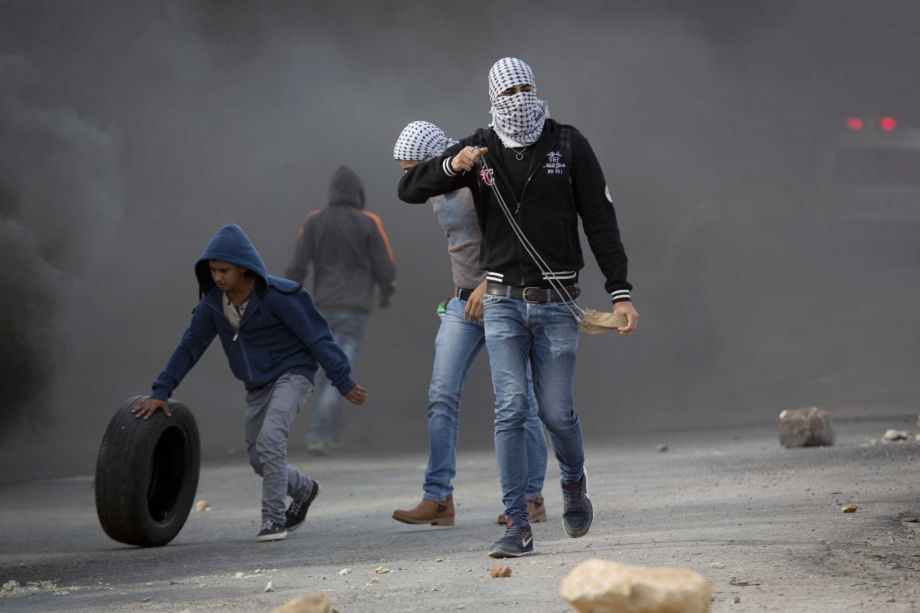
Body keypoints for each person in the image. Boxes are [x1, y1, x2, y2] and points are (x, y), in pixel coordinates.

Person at [399, 58, 639, 558]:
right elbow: (409, 188)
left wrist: (620, 290)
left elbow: (600, 219)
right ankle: (517, 524)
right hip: (504, 304)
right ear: (493, 96)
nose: (519, 98)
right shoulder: (481, 148)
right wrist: (452, 165)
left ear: (538, 88)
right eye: (508, 91)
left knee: (556, 413)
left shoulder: (569, 144)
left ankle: (572, 483)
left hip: (558, 303)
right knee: (510, 409)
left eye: (526, 87)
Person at [133, 224, 368, 542]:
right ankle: (304, 489)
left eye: (224, 270)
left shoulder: (281, 296)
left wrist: (343, 380)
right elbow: (189, 347)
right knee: (260, 459)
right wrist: (161, 390)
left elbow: (318, 338)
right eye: (213, 270)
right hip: (257, 385)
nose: (217, 277)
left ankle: (273, 520)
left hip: (293, 374)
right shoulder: (213, 306)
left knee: (271, 439)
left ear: (244, 268)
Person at [390, 121, 549, 527]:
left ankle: (531, 498)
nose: (411, 178)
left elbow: (517, 235)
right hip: (462, 305)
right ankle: (438, 497)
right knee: (441, 394)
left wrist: (489, 281)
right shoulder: (433, 188)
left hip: (504, 298)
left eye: (413, 167)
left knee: (519, 401)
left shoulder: (480, 176)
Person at [285, 166, 396, 455]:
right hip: (354, 309)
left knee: (326, 372)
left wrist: (288, 295)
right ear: (358, 193)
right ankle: (319, 435)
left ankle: (331, 435)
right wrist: (387, 291)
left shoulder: (314, 221)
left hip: (321, 308)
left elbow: (297, 263)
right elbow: (385, 266)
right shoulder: (368, 222)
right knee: (339, 373)